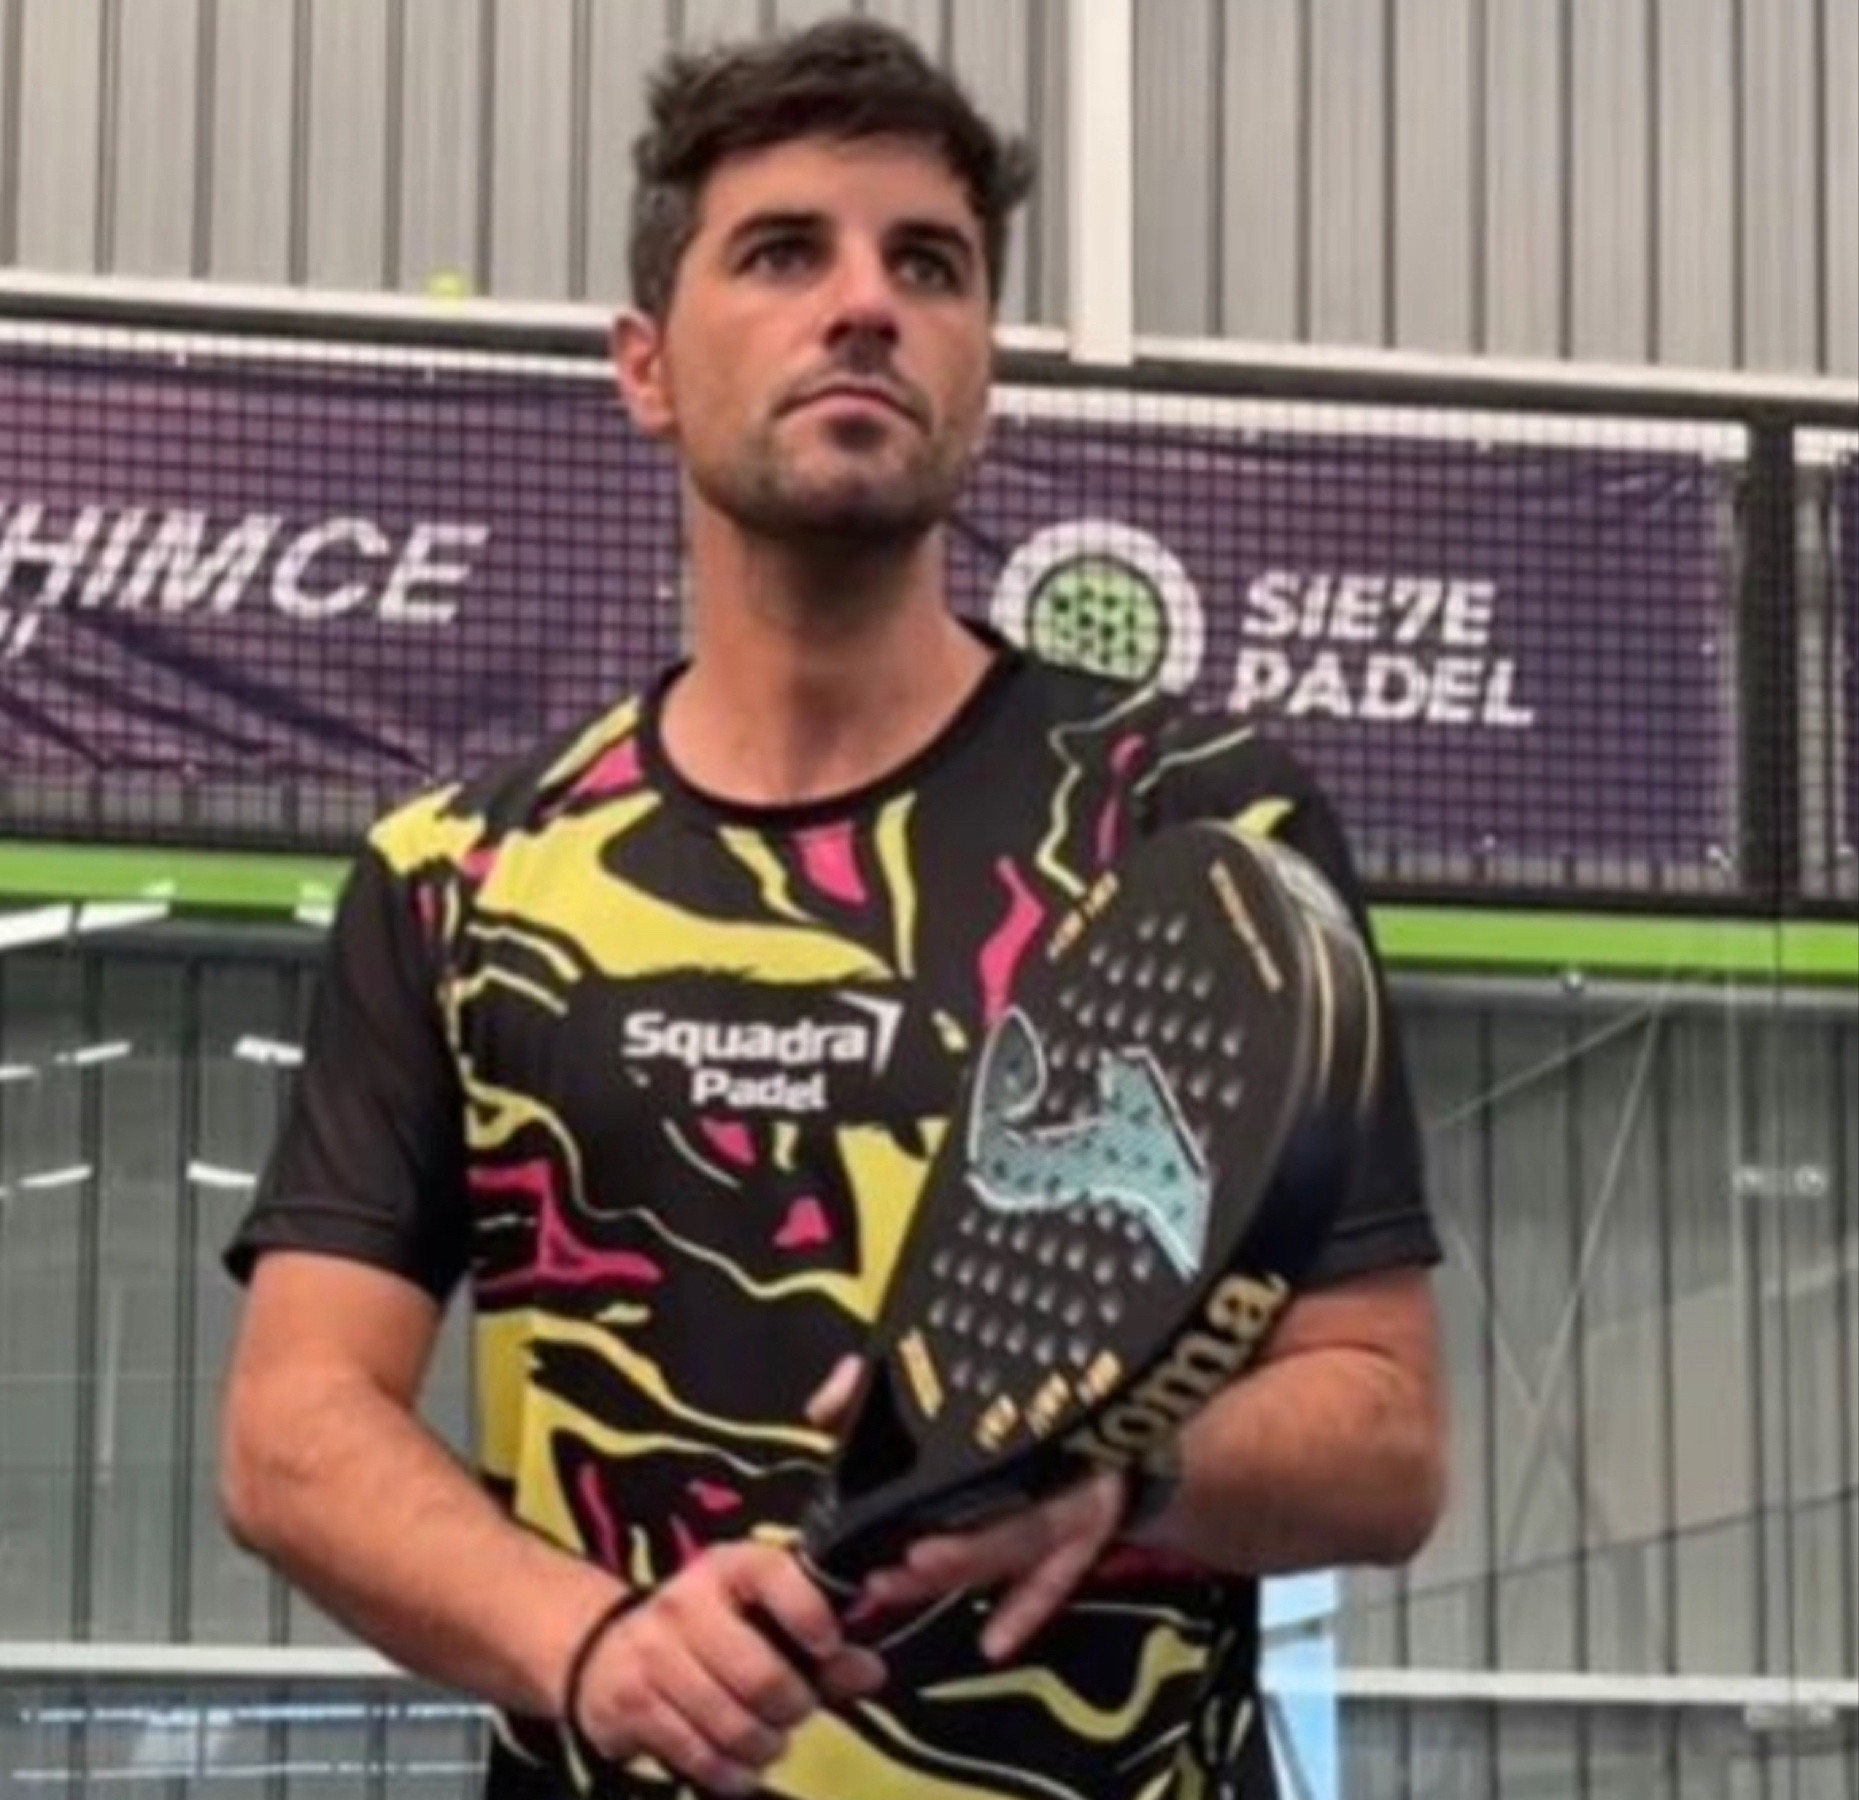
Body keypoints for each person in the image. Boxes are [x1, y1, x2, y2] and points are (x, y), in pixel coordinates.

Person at [218, 16, 1447, 1799]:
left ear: (984, 369)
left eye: (927, 265)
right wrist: (594, 1643)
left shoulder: (1200, 822)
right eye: (784, 252)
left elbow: (1389, 1439)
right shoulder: (460, 875)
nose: (865, 303)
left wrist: (1124, 1473)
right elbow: (291, 1429)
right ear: (646, 365)